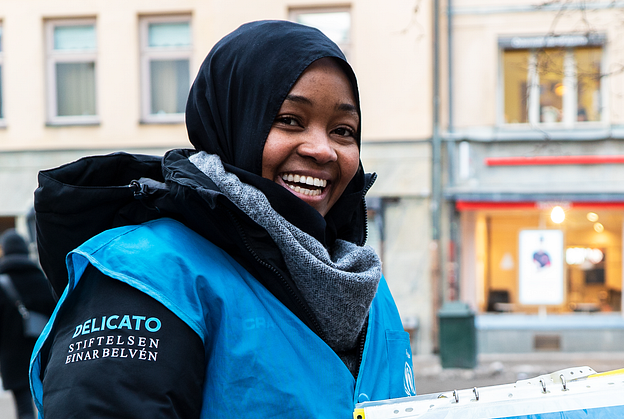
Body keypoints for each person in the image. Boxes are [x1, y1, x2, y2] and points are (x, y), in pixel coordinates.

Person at [30, 20, 415, 418]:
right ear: (233, 121)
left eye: (342, 130)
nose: (323, 150)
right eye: (289, 120)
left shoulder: (366, 286)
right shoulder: (147, 275)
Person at [0, 230, 55, 419]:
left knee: (24, 408)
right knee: (48, 402)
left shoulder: (2, 282)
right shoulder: (43, 280)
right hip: (42, 353)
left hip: (12, 356)